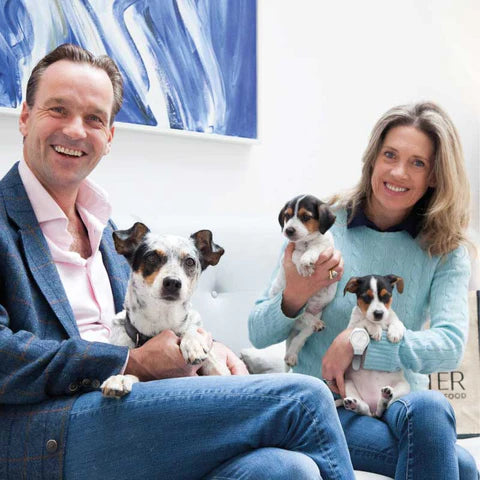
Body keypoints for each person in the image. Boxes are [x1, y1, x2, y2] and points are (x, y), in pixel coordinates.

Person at [0, 43, 356, 480]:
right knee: (305, 398)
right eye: (58, 109)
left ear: (109, 136)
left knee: (285, 469)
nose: (76, 130)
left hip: (132, 413)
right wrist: (127, 362)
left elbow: (152, 323)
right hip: (48, 432)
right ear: (25, 116)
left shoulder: (111, 231)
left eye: (94, 118)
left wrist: (207, 347)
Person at [249, 101, 479, 479]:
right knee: (464, 466)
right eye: (390, 155)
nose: (398, 172)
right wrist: (298, 292)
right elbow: (258, 333)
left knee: (431, 407)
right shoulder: (321, 225)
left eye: (417, 163)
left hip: (400, 399)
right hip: (328, 403)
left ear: (435, 176)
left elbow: (450, 345)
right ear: (373, 159)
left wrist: (361, 341)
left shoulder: (444, 248)